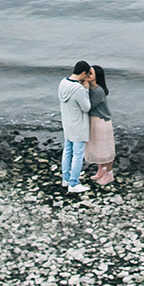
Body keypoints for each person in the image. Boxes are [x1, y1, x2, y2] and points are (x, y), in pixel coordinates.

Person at [58, 61, 94, 194]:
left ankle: (65, 179)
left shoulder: (63, 83)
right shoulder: (78, 89)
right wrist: (86, 90)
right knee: (78, 154)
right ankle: (74, 183)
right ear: (83, 73)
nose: (88, 77)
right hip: (78, 124)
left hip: (67, 122)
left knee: (67, 150)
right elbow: (86, 107)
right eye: (88, 74)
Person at [85, 64, 116, 186]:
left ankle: (109, 174)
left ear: (96, 76)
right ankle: (101, 170)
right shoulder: (93, 89)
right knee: (98, 147)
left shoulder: (98, 91)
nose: (87, 75)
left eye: (90, 74)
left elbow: (89, 106)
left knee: (106, 149)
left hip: (101, 121)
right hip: (95, 121)